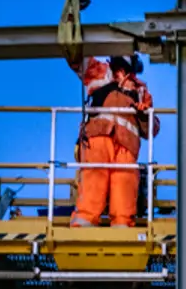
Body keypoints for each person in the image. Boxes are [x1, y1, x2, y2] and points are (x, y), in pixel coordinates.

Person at [67, 52, 156, 228]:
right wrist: (72, 45)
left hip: (126, 146)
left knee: (124, 183)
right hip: (99, 137)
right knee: (94, 178)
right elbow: (76, 59)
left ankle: (121, 226)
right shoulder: (99, 71)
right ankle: (85, 222)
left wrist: (145, 114)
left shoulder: (141, 91)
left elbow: (152, 129)